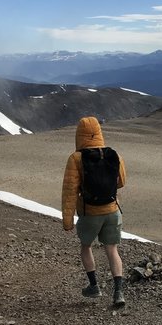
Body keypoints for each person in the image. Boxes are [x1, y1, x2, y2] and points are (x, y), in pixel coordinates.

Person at [61, 116, 127, 306]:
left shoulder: (76, 159)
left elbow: (69, 191)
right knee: (112, 250)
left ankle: (94, 286)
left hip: (90, 212)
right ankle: (118, 292)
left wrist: (67, 220)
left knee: (86, 246)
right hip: (113, 210)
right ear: (99, 132)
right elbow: (121, 181)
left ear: (79, 135)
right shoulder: (114, 154)